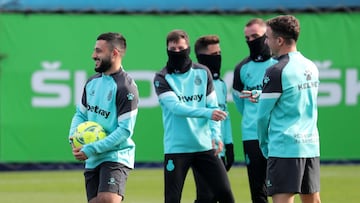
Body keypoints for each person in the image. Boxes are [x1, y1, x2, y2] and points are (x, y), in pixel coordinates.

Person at [153, 29, 235, 203]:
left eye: (180, 48)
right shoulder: (162, 77)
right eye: (172, 49)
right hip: (177, 148)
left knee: (226, 194)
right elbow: (176, 108)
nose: (177, 52)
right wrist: (208, 113)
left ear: (188, 48)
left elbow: (213, 106)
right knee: (172, 199)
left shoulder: (202, 72)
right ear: (167, 49)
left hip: (205, 146)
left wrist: (216, 135)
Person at [257, 15, 322, 203]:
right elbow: (293, 98)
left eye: (267, 37)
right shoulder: (311, 66)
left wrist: (264, 144)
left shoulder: (276, 70)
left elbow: (262, 117)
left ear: (279, 40)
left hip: (285, 147)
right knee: (312, 200)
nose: (266, 42)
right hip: (310, 145)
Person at [68, 32, 139, 203]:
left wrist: (90, 149)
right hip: (93, 158)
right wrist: (73, 137)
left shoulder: (126, 87)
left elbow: (124, 131)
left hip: (116, 155)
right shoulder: (92, 82)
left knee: (107, 200)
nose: (93, 56)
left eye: (99, 51)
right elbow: (80, 114)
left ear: (114, 53)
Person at [232, 18, 277, 203]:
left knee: (280, 187)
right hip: (251, 134)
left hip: (276, 133)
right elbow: (239, 102)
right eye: (247, 38)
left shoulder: (278, 63)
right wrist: (254, 117)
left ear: (267, 36)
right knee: (257, 190)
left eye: (256, 36)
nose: (251, 41)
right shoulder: (242, 68)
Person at [192, 35, 234, 202]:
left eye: (219, 53)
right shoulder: (195, 83)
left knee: (218, 194)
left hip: (220, 147)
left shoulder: (221, 84)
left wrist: (229, 144)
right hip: (204, 147)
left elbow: (225, 115)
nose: (218, 58)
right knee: (206, 196)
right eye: (214, 54)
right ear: (202, 58)